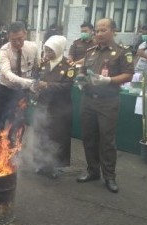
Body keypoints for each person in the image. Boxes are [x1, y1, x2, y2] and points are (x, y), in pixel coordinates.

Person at [76, 19, 134, 193]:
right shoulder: (90, 51)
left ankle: (109, 176)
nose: (99, 33)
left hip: (108, 102)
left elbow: (129, 75)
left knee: (107, 140)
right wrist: (80, 78)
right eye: (97, 31)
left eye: (103, 30)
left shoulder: (122, 52)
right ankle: (92, 171)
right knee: (89, 137)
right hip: (88, 99)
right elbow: (83, 69)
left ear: (113, 31)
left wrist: (108, 80)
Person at [31, 35, 75, 179]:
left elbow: (67, 86)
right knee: (41, 133)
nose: (47, 53)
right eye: (46, 50)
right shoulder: (43, 64)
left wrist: (47, 85)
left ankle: (54, 165)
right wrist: (36, 89)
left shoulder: (68, 66)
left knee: (56, 136)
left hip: (59, 107)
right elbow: (36, 78)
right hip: (43, 105)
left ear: (59, 49)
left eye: (51, 51)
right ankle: (40, 163)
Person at [0, 21, 39, 143]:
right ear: (8, 37)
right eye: (13, 40)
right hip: (5, 89)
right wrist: (28, 83)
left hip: (23, 92)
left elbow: (37, 67)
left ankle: (13, 149)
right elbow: (7, 74)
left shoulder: (33, 47)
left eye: (20, 39)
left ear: (25, 34)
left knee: (18, 121)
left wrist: (34, 84)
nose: (17, 43)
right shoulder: (4, 51)